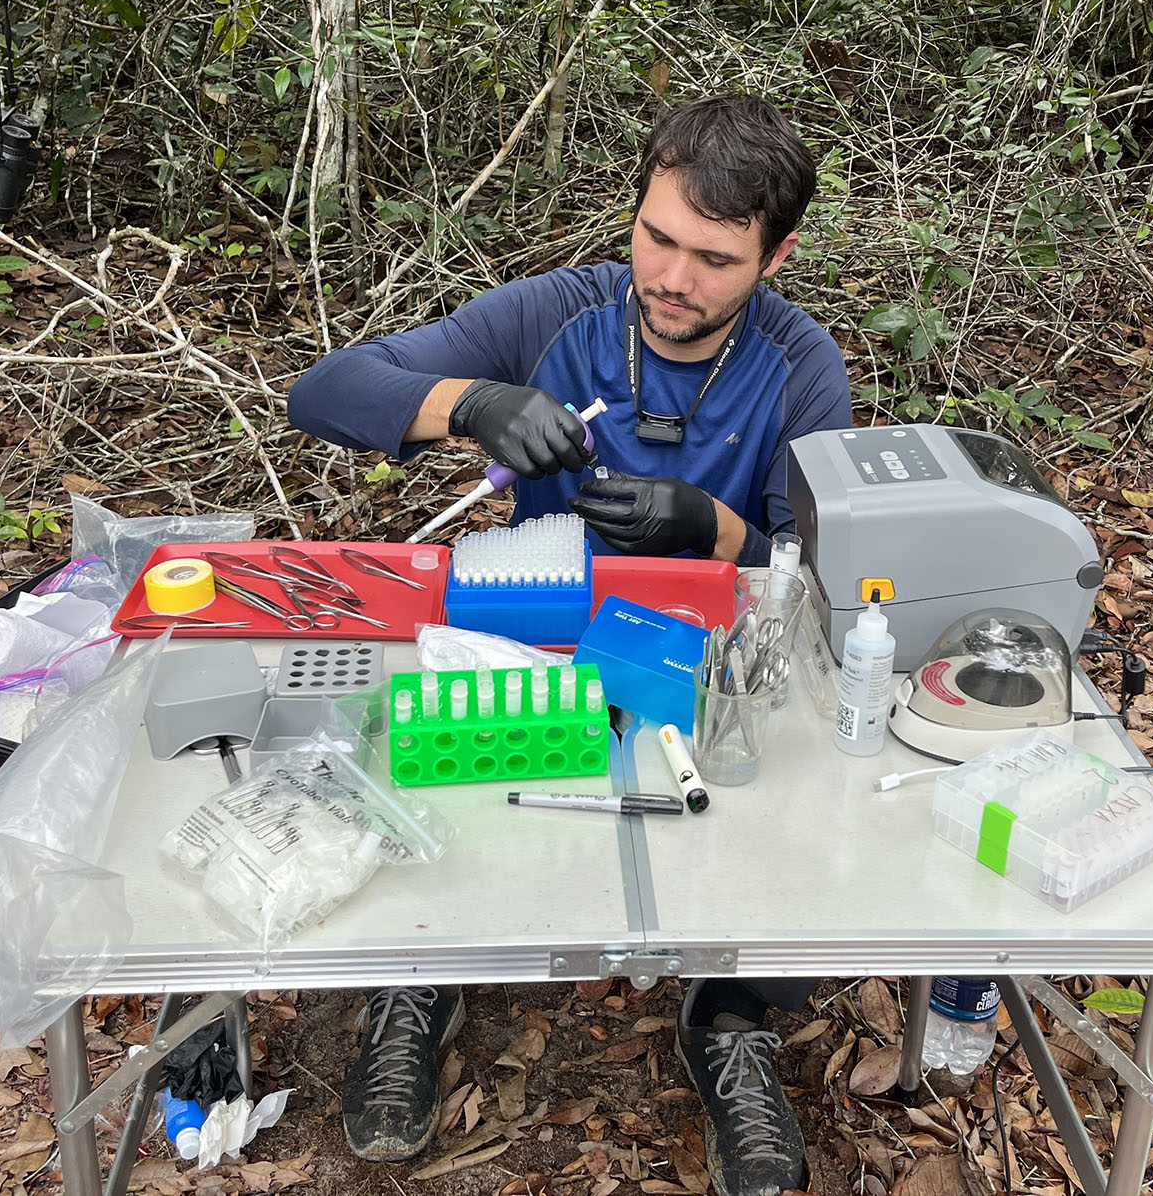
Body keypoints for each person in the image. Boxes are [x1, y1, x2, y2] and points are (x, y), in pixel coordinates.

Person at [288, 95, 852, 1196]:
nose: (672, 279)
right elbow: (326, 389)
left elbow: (819, 571)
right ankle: (420, 977)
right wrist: (474, 404)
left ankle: (728, 1020)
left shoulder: (798, 364)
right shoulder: (561, 314)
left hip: (708, 671)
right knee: (435, 782)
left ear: (774, 255)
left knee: (798, 812)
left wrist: (712, 530)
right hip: (529, 646)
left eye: (714, 259)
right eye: (655, 237)